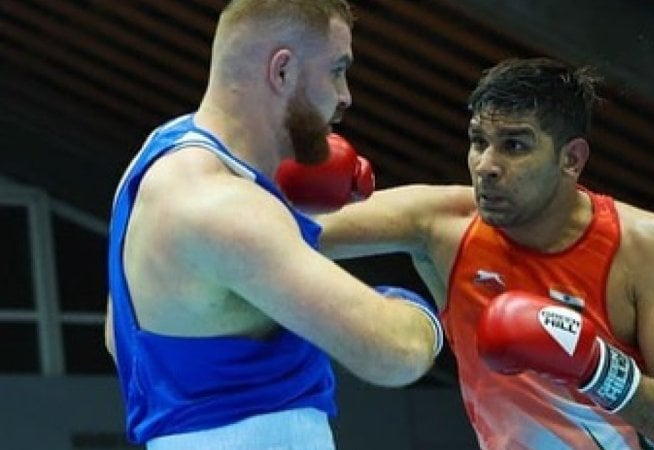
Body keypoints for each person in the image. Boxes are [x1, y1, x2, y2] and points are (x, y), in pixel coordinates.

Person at [317, 57, 654, 450]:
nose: (487, 165)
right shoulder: (442, 224)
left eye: (514, 145)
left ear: (571, 159)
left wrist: (598, 369)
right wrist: (281, 172)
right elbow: (286, 230)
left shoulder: (646, 248)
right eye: (479, 142)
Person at [103, 1, 443, 449]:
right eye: (337, 70)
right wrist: (417, 310)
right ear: (281, 71)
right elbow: (394, 355)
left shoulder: (163, 156)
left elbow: (116, 334)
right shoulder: (223, 208)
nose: (345, 96)